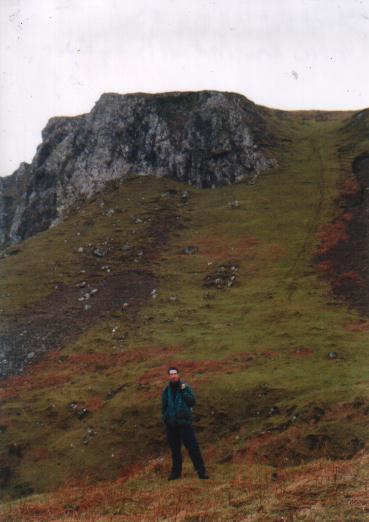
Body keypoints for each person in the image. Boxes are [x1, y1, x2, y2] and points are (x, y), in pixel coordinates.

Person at [161, 366, 209, 480]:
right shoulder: (166, 391)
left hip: (184, 424)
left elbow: (192, 402)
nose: (173, 376)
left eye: (175, 373)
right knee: (175, 450)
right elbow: (163, 407)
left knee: (193, 448)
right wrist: (166, 419)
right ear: (168, 376)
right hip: (171, 425)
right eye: (171, 374)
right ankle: (175, 474)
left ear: (178, 374)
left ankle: (202, 472)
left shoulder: (185, 387)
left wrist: (183, 391)